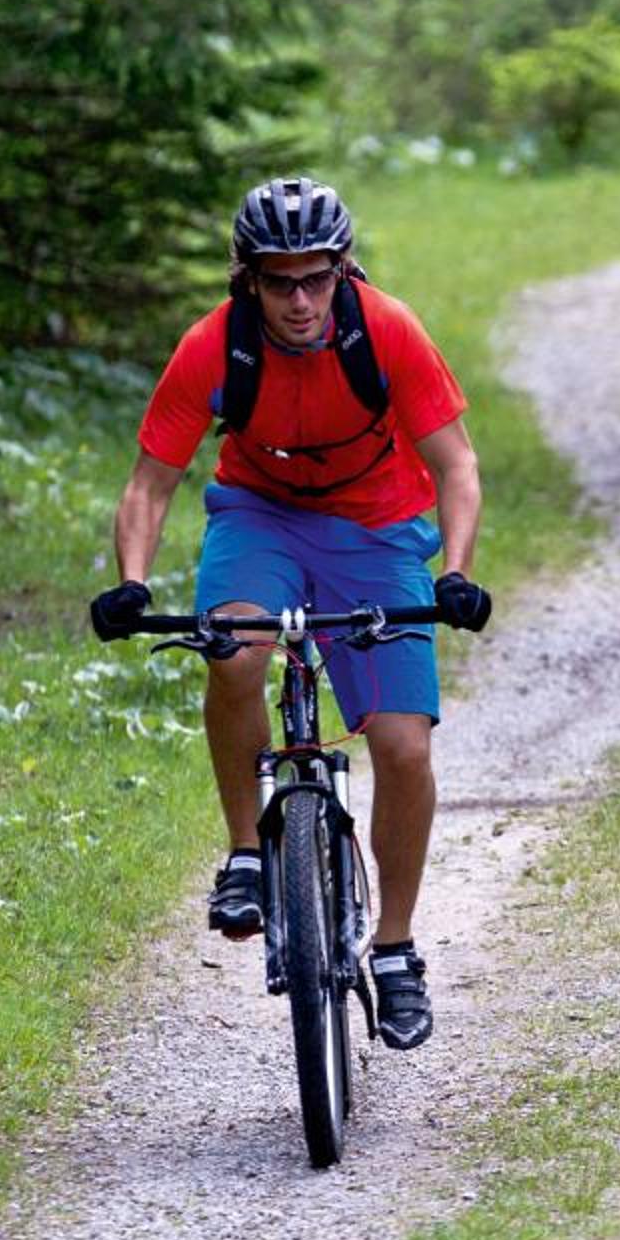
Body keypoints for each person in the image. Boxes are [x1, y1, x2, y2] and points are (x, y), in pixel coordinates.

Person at [88, 176, 490, 1050]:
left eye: (316, 279)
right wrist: (132, 582)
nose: (301, 301)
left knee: (403, 746)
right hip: (259, 519)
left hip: (377, 528)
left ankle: (395, 950)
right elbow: (150, 483)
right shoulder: (214, 345)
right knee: (233, 650)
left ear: (342, 270)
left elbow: (456, 466)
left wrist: (455, 572)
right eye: (280, 282)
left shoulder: (386, 330)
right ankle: (245, 852)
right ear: (250, 280)